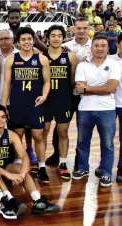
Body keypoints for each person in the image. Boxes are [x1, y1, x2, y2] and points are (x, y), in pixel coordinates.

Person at [0, 104, 61, 216]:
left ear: (6, 119)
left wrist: (22, 174)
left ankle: (38, 201)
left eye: (3, 117)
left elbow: (24, 157)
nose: (0, 120)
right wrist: (9, 175)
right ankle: (8, 200)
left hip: (6, 168)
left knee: (19, 167)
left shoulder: (11, 135)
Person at [1, 27, 51, 184]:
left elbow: (47, 81)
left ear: (33, 40)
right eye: (23, 39)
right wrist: (3, 105)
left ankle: (42, 167)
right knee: (17, 136)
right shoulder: (12, 60)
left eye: (29, 39)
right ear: (18, 41)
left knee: (38, 136)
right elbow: (7, 84)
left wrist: (44, 95)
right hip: (17, 104)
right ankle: (17, 164)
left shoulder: (41, 59)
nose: (27, 42)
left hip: (35, 104)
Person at [73, 35, 122, 188]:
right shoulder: (82, 66)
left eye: (103, 45)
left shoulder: (115, 65)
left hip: (106, 109)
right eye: (97, 45)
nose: (100, 48)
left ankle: (106, 172)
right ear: (91, 47)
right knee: (82, 142)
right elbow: (79, 88)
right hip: (84, 109)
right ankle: (82, 168)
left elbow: (111, 88)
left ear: (108, 48)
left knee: (107, 143)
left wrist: (88, 88)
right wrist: (101, 88)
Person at [47, 17, 91, 166]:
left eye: (85, 28)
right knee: (60, 127)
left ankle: (80, 158)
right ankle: (57, 153)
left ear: (89, 28)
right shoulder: (65, 46)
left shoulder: (96, 46)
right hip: (66, 93)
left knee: (83, 127)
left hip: (86, 93)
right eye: (79, 28)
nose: (82, 31)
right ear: (73, 29)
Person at [42, 25, 78, 180]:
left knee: (63, 132)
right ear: (48, 37)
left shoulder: (70, 57)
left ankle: (63, 163)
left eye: (59, 36)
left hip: (63, 100)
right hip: (45, 101)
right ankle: (41, 163)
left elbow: (72, 81)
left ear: (63, 38)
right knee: (43, 131)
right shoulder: (41, 56)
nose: (56, 38)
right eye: (53, 35)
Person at [111, 34, 122, 182]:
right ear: (118, 44)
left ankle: (121, 167)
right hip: (110, 104)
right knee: (106, 137)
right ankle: (104, 165)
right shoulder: (110, 60)